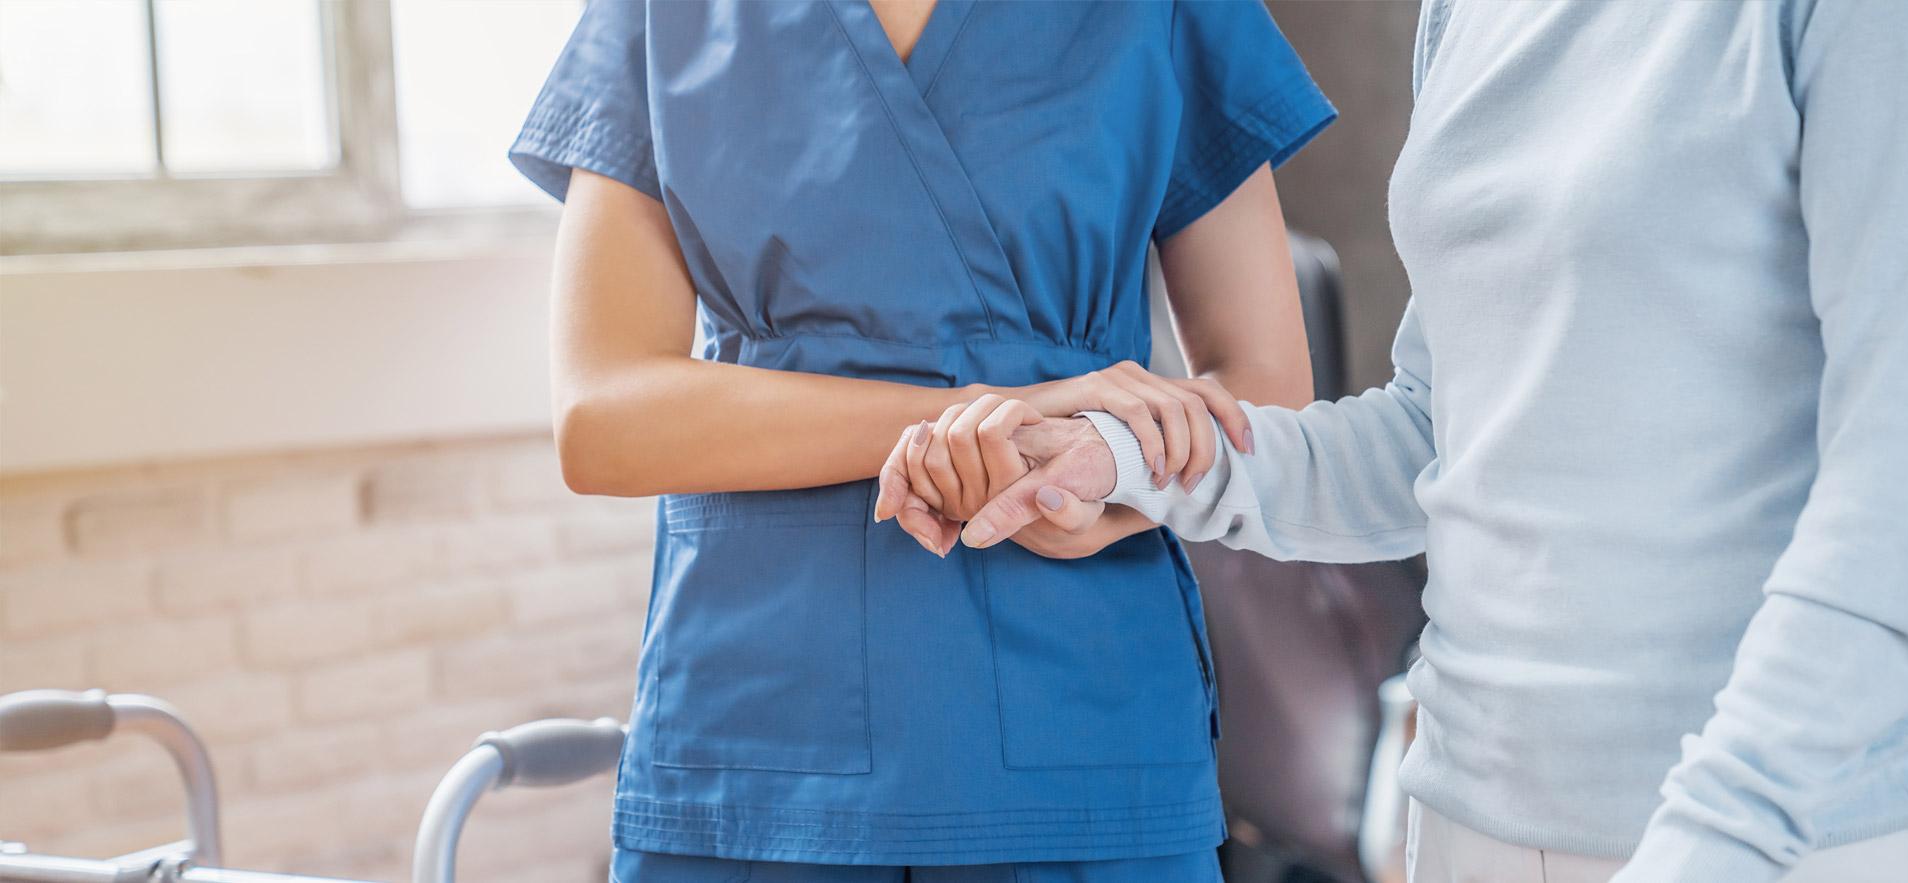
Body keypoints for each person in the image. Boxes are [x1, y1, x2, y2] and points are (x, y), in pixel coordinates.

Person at [879, 1, 1908, 880]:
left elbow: (1895, 494)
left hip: (1779, 830)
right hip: (1470, 814)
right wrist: (1129, 460)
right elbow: (1439, 431)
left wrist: (1720, 838)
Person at [508, 1, 1335, 880]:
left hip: (1082, 729)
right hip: (759, 741)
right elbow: (603, 419)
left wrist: (1108, 476)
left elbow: (1268, 395)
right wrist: (984, 410)